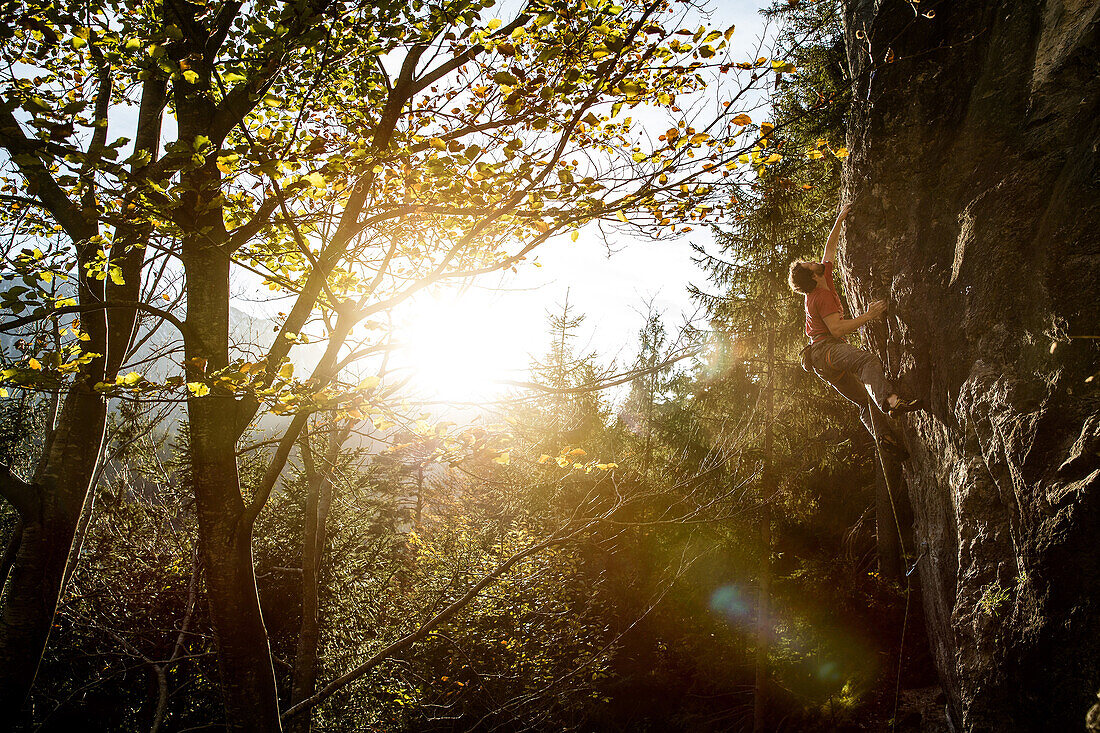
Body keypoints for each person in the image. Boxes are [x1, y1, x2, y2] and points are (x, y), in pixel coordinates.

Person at [789, 203, 922, 456]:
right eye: (808, 264)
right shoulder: (820, 296)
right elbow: (837, 330)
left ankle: (884, 438)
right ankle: (892, 402)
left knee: (863, 400)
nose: (812, 261)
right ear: (811, 275)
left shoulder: (823, 277)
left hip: (821, 360)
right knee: (866, 361)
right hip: (826, 351)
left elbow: (830, 248)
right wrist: (869, 315)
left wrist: (840, 218)